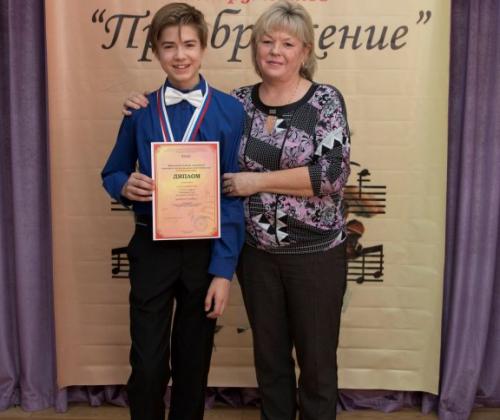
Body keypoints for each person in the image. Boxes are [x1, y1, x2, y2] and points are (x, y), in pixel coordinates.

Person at [123, 2, 350, 418]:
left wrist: (256, 182)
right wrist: (144, 104)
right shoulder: (238, 103)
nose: (275, 51)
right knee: (270, 363)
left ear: (305, 51)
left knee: (317, 365)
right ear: (254, 47)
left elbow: (332, 174)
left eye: (287, 43)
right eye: (267, 41)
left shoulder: (325, 100)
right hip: (256, 253)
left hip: (314, 253)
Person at [102, 3, 245, 420]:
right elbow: (112, 171)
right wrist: (124, 185)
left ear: (203, 47)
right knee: (147, 364)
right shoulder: (140, 111)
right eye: (168, 46)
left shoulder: (231, 112)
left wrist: (224, 270)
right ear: (155, 51)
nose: (180, 55)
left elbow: (232, 196)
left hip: (205, 251)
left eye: (189, 44)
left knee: (193, 361)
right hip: (152, 247)